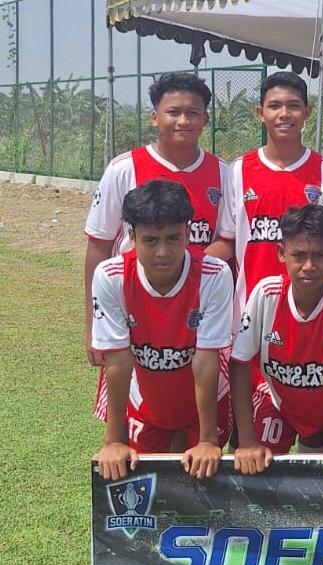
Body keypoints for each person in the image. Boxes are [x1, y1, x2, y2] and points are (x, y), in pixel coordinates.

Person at [85, 73, 228, 422]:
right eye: (173, 112)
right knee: (140, 412)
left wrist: (187, 272)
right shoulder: (124, 169)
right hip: (138, 311)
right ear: (154, 117)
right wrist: (91, 325)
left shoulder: (224, 173)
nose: (183, 120)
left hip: (195, 311)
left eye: (193, 113)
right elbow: (99, 245)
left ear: (205, 119)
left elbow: (227, 239)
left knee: (194, 408)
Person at [90, 180, 233, 481]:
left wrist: (207, 440)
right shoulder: (112, 276)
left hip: (202, 395)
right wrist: (114, 440)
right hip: (144, 396)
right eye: (150, 240)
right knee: (146, 480)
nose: (163, 251)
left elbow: (206, 360)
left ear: (188, 233)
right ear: (132, 237)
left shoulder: (214, 275)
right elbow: (118, 360)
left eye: (173, 238)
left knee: (202, 480)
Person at [229, 205, 323, 476]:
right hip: (280, 401)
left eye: (320, 255)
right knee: (256, 468)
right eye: (299, 255)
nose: (309, 266)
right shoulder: (266, 294)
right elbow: (239, 363)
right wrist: (247, 441)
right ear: (281, 253)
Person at [206, 71, 323, 305]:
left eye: (294, 106)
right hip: (251, 309)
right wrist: (186, 267)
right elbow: (228, 240)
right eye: (275, 106)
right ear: (260, 113)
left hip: (311, 310)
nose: (284, 114)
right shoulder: (238, 170)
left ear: (307, 112)